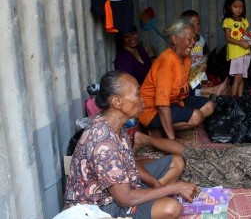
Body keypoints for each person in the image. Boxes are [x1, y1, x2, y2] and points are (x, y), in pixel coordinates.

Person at [64, 70, 200, 219]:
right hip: (101, 206)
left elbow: (129, 162)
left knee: (176, 162)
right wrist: (172, 188)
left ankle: (147, 197)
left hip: (122, 185)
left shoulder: (114, 123)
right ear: (117, 102)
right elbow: (124, 199)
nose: (143, 100)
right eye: (137, 94)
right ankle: (148, 201)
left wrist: (156, 184)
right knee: (171, 208)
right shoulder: (103, 144)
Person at [138, 18, 216, 140]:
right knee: (197, 117)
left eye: (194, 38)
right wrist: (172, 139)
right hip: (151, 110)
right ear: (175, 39)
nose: (193, 43)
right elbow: (162, 105)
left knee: (209, 106)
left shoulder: (186, 58)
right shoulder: (167, 62)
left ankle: (162, 128)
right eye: (188, 39)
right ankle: (157, 129)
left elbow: (183, 86)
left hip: (175, 101)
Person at [179, 9, 229, 96]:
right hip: (187, 74)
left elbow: (206, 54)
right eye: (193, 24)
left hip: (199, 72)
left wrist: (204, 63)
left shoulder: (201, 40)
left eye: (198, 23)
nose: (197, 26)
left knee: (203, 93)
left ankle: (209, 92)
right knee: (192, 90)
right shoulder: (183, 43)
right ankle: (213, 90)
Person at [222, 0, 251, 97]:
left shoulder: (243, 21)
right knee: (237, 78)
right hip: (236, 53)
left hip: (245, 52)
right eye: (235, 6)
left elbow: (246, 36)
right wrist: (241, 43)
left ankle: (240, 100)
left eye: (241, 7)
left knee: (242, 78)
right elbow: (228, 38)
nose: (238, 9)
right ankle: (233, 102)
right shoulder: (228, 21)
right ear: (229, 6)